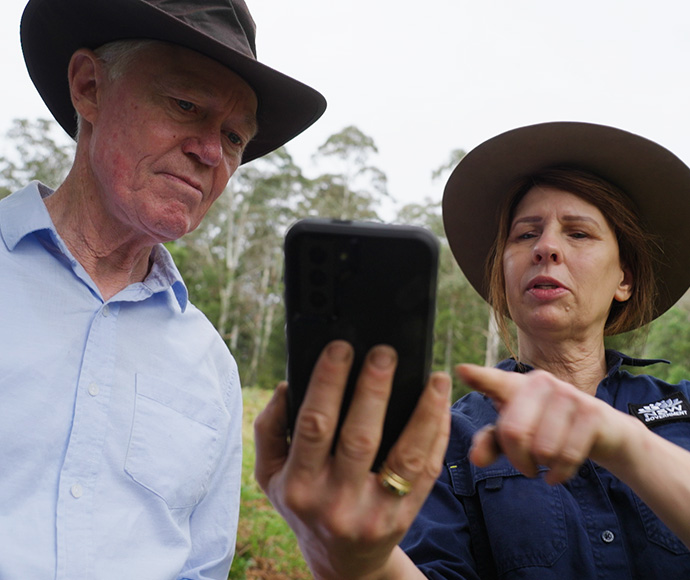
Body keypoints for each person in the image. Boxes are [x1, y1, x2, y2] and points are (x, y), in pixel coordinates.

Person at [255, 121, 690, 579]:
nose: (546, 248)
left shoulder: (683, 405)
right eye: (525, 235)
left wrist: (624, 443)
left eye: (578, 233)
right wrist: (364, 563)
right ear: (502, 274)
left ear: (625, 279)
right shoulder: (449, 439)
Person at [0, 0, 325, 578]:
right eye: (185, 105)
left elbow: (202, 565)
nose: (208, 153)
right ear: (89, 87)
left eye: (232, 137)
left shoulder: (212, 367)